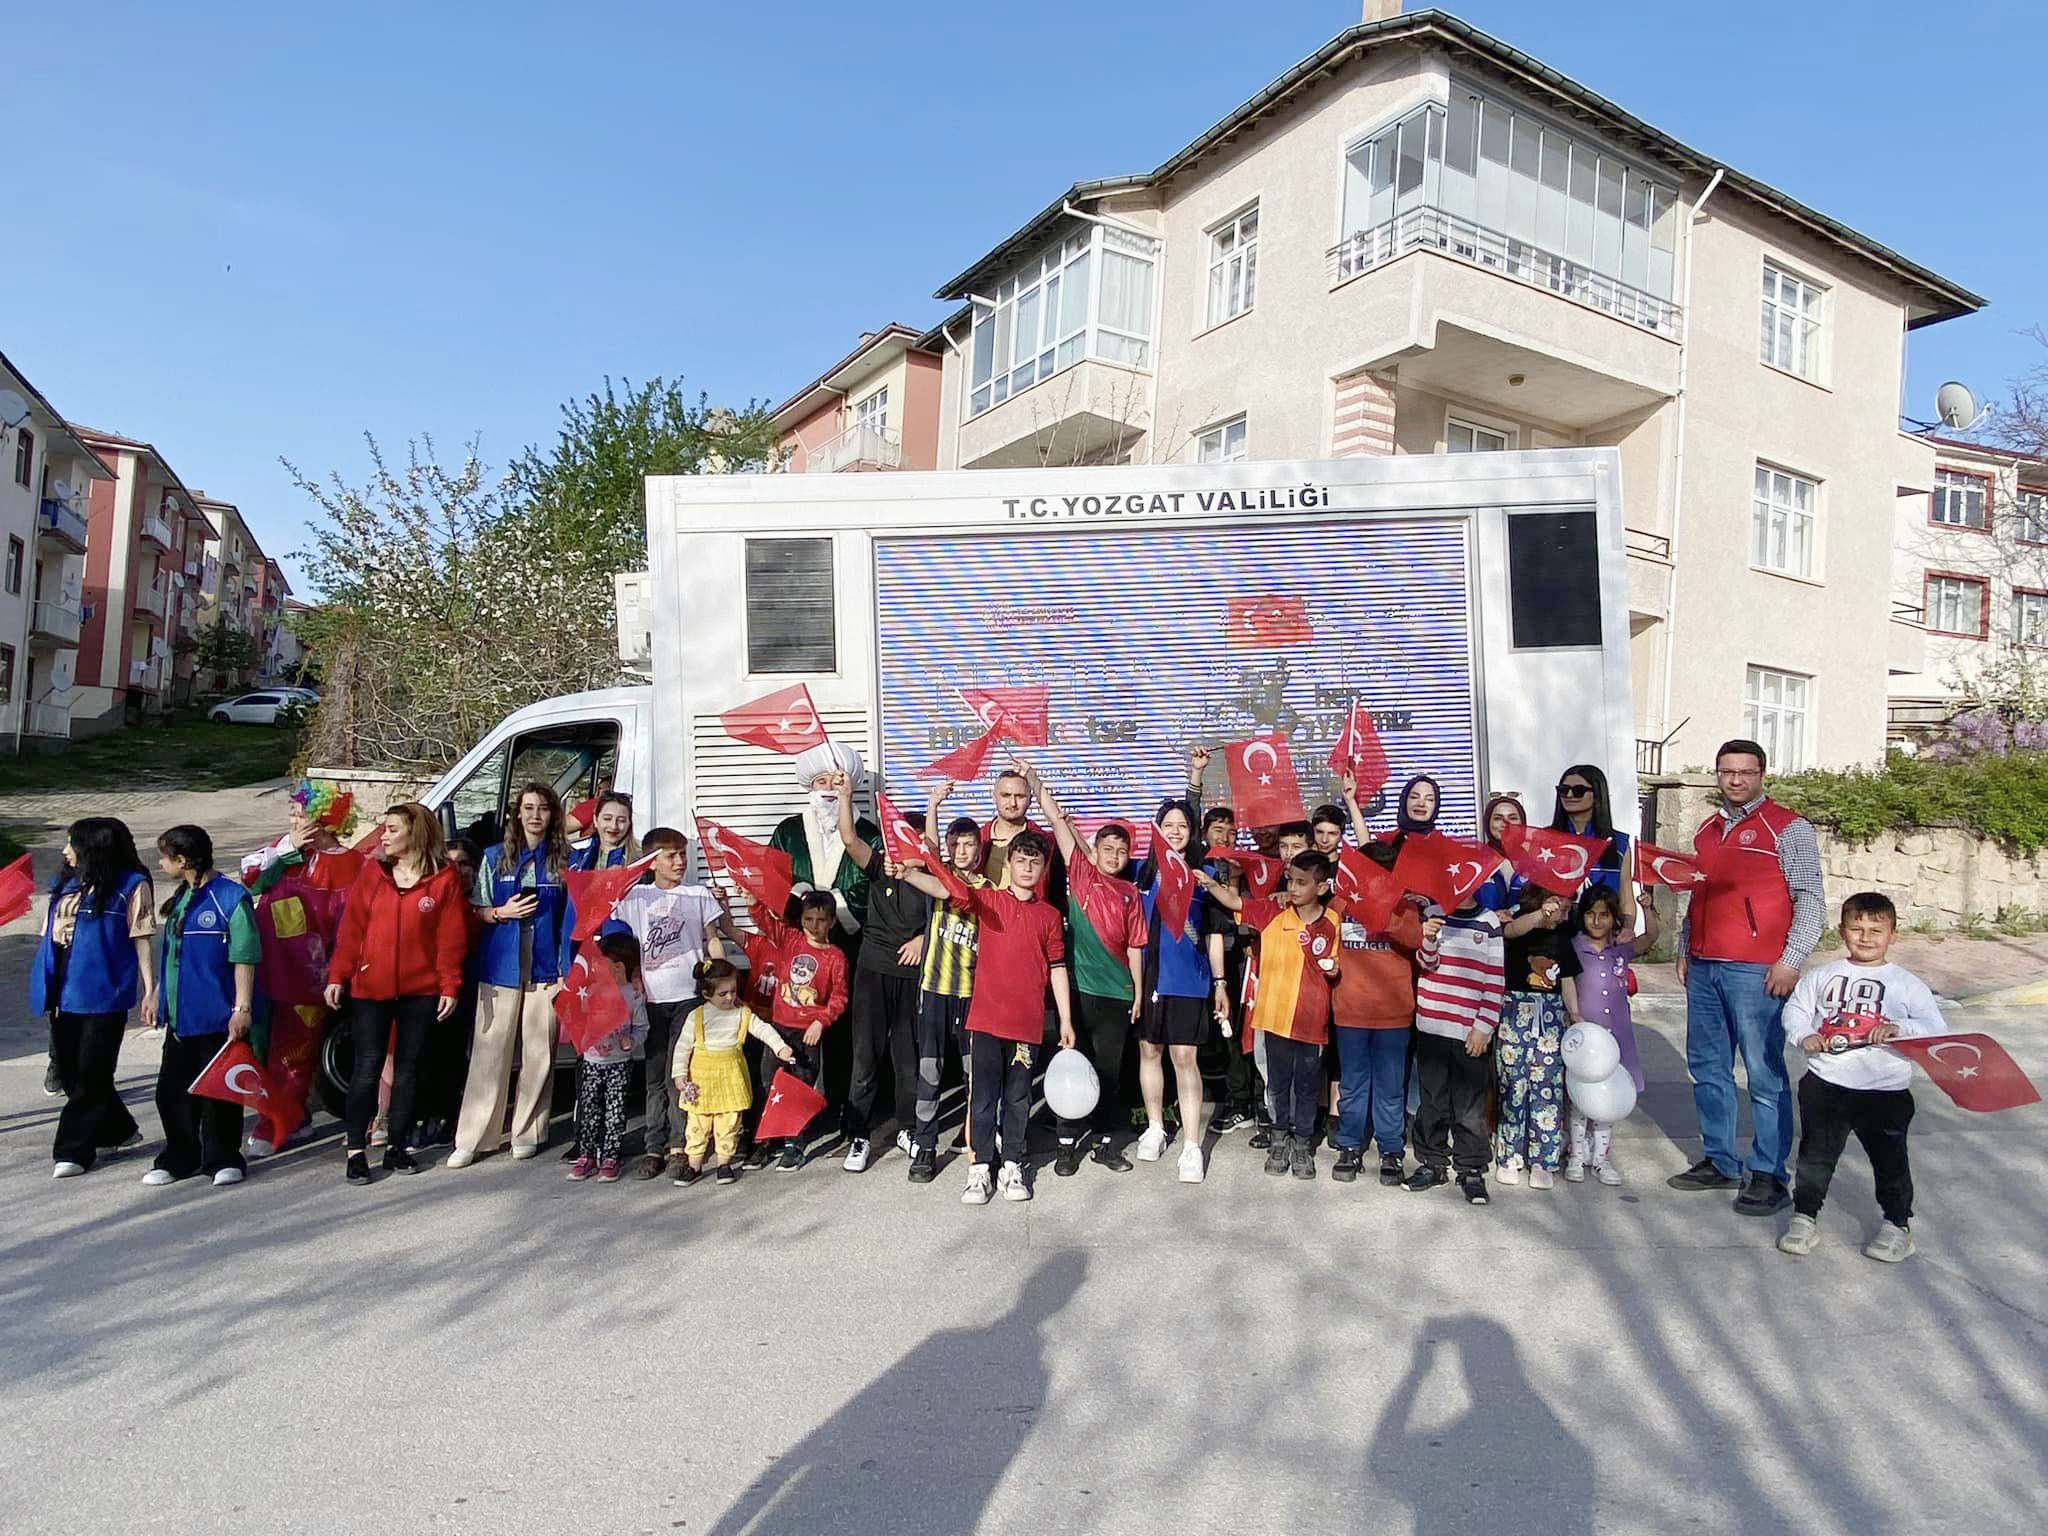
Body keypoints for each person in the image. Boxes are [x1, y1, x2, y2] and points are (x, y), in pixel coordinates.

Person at [1669, 738, 1824, 1216]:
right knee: (1709, 1068)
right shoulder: (1708, 829)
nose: (1735, 780)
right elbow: (1700, 896)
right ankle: (1721, 1159)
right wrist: (1684, 946)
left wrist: (1791, 959)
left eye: (1745, 772)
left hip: (1757, 969)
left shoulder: (1788, 829)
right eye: (1726, 771)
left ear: (1761, 774)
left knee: (1763, 1072)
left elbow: (1811, 901)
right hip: (1705, 965)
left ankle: (1768, 1172)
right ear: (1717, 774)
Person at [903, 831, 1072, 1206]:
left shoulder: (1049, 915)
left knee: (1017, 1098)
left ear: (1044, 869)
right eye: (1021, 861)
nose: (1027, 868)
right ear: (1008, 865)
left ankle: (1012, 1162)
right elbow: (947, 891)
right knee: (982, 1099)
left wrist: (1065, 1021)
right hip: (984, 1023)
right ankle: (979, 1168)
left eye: (1035, 862)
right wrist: (910, 873)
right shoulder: (988, 900)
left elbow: (1058, 968)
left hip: (1026, 1025)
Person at [1777, 893, 1945, 1264]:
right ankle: (1804, 1217)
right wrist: (1804, 1035)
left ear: (1893, 935)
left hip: (1885, 1091)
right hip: (1826, 1084)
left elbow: (1935, 1028)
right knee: (1815, 1157)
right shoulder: (1823, 976)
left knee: (1890, 1161)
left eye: (1876, 930)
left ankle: (1897, 1225)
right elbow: (1796, 1012)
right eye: (1857, 928)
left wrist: (1900, 1028)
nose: (1866, 937)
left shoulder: (1907, 984)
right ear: (1842, 931)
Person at [324, 803, 468, 1184]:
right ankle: (356, 1149)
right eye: (383, 829)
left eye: (391, 829)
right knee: (367, 1066)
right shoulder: (372, 873)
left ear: (414, 834)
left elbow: (450, 939)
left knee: (408, 1070)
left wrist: (449, 984)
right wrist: (338, 975)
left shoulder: (444, 878)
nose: (383, 836)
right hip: (371, 986)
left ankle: (397, 1147)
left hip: (420, 989)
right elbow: (351, 930)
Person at [1028, 765, 1145, 1177]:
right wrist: (1034, 780)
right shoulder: (1079, 875)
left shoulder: (1131, 894)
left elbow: (1135, 948)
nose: (1114, 857)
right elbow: (1058, 821)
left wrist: (1137, 993)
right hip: (1077, 991)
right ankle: (1064, 1144)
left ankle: (1105, 1143)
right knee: (1070, 1065)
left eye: (1121, 851)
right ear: (1093, 852)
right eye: (1107, 849)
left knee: (1109, 1073)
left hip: (1116, 995)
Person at [451, 782, 574, 1166]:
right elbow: (475, 910)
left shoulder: (564, 861)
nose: (535, 815)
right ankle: (474, 1137)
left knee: (539, 1052)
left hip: (546, 965)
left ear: (552, 815)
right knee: (490, 1051)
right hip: (501, 963)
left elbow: (572, 916)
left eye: (543, 808)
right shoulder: (492, 858)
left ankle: (528, 1131)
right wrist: (501, 913)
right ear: (517, 814)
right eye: (528, 808)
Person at [244, 780, 366, 1159]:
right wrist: (285, 850)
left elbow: (354, 925)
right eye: (293, 815)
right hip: (265, 970)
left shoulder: (352, 866)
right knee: (262, 1049)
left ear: (323, 823)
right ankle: (289, 1114)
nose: (292, 822)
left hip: (308, 980)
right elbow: (249, 876)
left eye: (299, 816)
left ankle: (281, 1121)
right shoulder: (284, 855)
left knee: (291, 1054)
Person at [33, 818, 156, 1178]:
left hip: (105, 991)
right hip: (63, 988)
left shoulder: (131, 886)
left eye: (72, 843)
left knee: (92, 1072)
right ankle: (119, 1129)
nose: (65, 851)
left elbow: (142, 937)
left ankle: (73, 1150)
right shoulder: (65, 884)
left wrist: (150, 990)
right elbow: (47, 933)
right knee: (70, 1071)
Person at [142, 826, 259, 1189]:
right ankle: (180, 1155)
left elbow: (244, 958)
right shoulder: (181, 898)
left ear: (183, 860)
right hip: (180, 1018)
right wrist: (157, 993)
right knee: (171, 1092)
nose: (160, 863)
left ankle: (223, 1157)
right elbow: (172, 955)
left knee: (218, 1094)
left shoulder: (230, 898)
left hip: (217, 1016)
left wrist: (242, 1008)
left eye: (164, 857)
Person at [606, 825, 721, 1178]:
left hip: (687, 997)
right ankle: (652, 1146)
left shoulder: (698, 894)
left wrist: (717, 975)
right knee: (654, 1073)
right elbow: (606, 909)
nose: (679, 861)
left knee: (679, 1072)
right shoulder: (638, 898)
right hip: (651, 998)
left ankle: (678, 1145)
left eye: (682, 854)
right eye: (670, 855)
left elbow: (712, 939)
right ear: (652, 861)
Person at [710, 890, 848, 1170]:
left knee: (800, 1087)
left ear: (832, 922)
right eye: (808, 918)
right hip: (779, 1028)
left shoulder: (835, 957)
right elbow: (766, 922)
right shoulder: (792, 940)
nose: (814, 925)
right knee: (767, 1082)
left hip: (808, 1031)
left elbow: (839, 998)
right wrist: (751, 899)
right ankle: (763, 1140)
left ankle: (793, 1144)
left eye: (821, 920)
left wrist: (820, 1022)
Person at [834, 772, 931, 1173]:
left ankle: (907, 1128)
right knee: (865, 1056)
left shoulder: (930, 878)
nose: (910, 846)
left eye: (918, 839)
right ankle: (859, 1136)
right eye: (903, 837)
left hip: (912, 976)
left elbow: (949, 910)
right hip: (873, 971)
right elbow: (849, 839)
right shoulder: (879, 867)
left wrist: (924, 938)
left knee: (907, 1057)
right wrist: (844, 796)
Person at [1231, 852, 1342, 1181]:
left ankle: (1302, 1143)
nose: (1292, 888)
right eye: (1290, 880)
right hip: (1273, 1017)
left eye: (1301, 882)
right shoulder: (1272, 911)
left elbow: (1333, 965)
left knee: (1307, 1088)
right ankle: (1278, 1139)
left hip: (1311, 1022)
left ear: (1321, 887)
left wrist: (1334, 970)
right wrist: (1217, 880)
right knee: (1278, 1085)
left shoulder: (1331, 921)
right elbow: (1232, 902)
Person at [1133, 795, 1227, 1180]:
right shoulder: (1141, 871)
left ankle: (1191, 1146)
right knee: (1149, 1050)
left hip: (1191, 979)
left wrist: (1220, 983)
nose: (1175, 832)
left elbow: (1215, 934)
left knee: (1185, 1058)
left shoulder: (1204, 875)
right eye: (1168, 824)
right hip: (1151, 978)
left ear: (1193, 833)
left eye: (1183, 826)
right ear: (1158, 829)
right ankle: (1155, 1127)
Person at [1329, 842, 1434, 1186]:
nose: (1380, 880)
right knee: (1353, 1084)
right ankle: (1350, 1145)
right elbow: (1322, 940)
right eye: (1373, 873)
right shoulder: (1341, 904)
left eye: (1387, 875)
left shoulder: (1405, 906)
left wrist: (1382, 914)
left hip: (1393, 1014)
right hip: (1350, 1012)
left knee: (1391, 1087)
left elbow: (1415, 938)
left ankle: (1391, 1149)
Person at [1405, 892, 1504, 1206]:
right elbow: (1425, 964)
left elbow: (1495, 980)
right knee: (1432, 1100)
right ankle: (1432, 1162)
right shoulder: (1434, 914)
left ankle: (1471, 1168)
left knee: (1468, 1107)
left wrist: (1483, 1027)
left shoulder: (1488, 922)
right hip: (1433, 1025)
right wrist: (1429, 938)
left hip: (1469, 1032)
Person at [904, 813, 987, 1183]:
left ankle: (978, 1141)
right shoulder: (939, 877)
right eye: (955, 844)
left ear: (979, 849)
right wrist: (934, 805)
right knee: (930, 1072)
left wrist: (906, 873)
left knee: (974, 1074)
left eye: (968, 843)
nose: (961, 850)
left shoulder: (987, 888)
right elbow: (931, 854)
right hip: (934, 992)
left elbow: (948, 888)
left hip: (971, 995)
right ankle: (925, 1147)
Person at [672, 958, 798, 1187]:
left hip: (730, 1076)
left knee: (729, 1122)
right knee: (697, 1123)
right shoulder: (696, 1016)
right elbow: (682, 1046)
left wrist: (779, 1046)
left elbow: (762, 1029)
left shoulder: (742, 1013)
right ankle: (694, 1164)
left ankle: (724, 1163)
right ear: (706, 994)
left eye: (733, 992)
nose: (730, 998)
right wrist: (679, 1074)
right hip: (702, 1079)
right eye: (723, 994)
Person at [1566, 885, 1658, 1185]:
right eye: (1590, 914)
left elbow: (1650, 939)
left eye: (1604, 915)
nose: (1596, 921)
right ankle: (1576, 1156)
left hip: (1616, 1038)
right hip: (1587, 1041)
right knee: (1581, 1101)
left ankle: (1601, 1159)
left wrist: (1647, 909)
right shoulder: (1574, 946)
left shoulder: (1621, 947)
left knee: (1608, 1102)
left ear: (1613, 918)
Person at [769, 742, 881, 944]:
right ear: (810, 786)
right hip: (798, 937)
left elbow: (877, 886)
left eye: (836, 783)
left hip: (853, 939)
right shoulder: (788, 831)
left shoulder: (868, 833)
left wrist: (833, 905)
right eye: (821, 781)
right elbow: (773, 877)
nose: (829, 789)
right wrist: (798, 899)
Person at [566, 930, 651, 1182]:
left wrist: (632, 1041)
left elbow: (642, 1027)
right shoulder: (589, 991)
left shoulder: (633, 996)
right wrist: (581, 1038)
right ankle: (586, 1155)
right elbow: (576, 1017)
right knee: (589, 1108)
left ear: (620, 967)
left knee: (615, 1112)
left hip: (619, 1064)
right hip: (592, 1061)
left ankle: (611, 1157)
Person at [1548, 765, 1637, 920]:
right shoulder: (1546, 838)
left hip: (1602, 934)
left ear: (1597, 796)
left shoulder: (1619, 843)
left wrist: (1627, 929)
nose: (1569, 795)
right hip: (1556, 934)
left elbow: (1626, 898)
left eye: (1578, 790)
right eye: (1563, 790)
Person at [569, 790, 636, 871]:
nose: (613, 826)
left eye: (621, 820)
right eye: (607, 819)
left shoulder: (639, 859)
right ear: (595, 820)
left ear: (629, 823)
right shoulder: (577, 858)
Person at [1381, 774, 1441, 848]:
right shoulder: (1384, 844)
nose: (1421, 804)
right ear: (1404, 801)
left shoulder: (1448, 848)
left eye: (1429, 799)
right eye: (1414, 797)